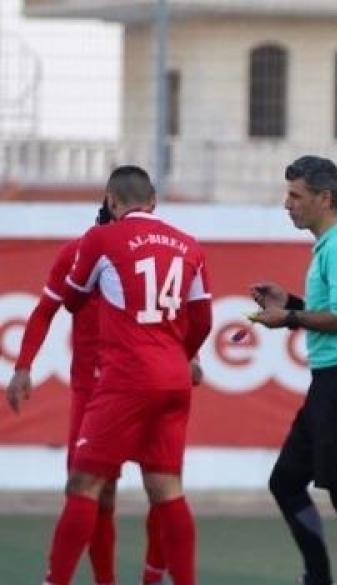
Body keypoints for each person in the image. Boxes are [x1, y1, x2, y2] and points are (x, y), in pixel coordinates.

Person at [40, 165, 212, 585]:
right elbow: (203, 321)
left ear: (111, 201)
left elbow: (73, 300)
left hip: (126, 378)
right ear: (153, 201)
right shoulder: (189, 245)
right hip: (174, 380)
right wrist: (182, 355)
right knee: (166, 488)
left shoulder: (102, 238)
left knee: (84, 484)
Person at [6, 198, 190, 585]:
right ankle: (109, 580)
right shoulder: (80, 251)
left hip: (133, 382)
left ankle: (152, 575)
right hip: (94, 389)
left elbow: (174, 314)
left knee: (156, 486)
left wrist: (190, 355)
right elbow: (45, 309)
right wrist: (23, 366)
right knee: (102, 491)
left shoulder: (150, 254)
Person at [250, 155, 337, 585]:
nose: (287, 204)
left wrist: (288, 318)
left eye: (296, 195)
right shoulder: (332, 245)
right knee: (286, 482)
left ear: (324, 198)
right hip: (330, 385)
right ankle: (318, 577)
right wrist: (290, 303)